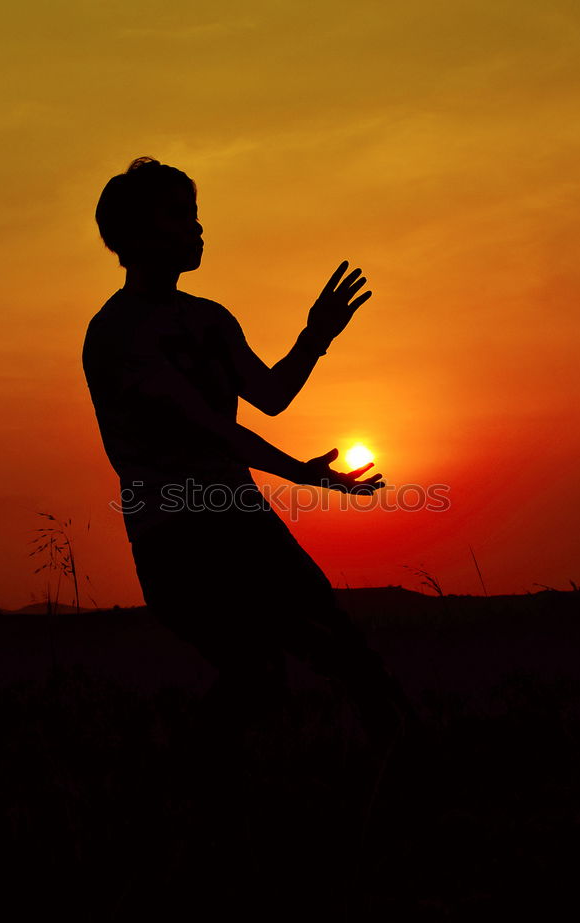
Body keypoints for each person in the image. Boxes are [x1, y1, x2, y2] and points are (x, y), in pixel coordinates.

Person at [82, 156, 413, 754]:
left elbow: (270, 397)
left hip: (243, 519)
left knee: (341, 644)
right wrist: (305, 475)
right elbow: (212, 430)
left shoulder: (210, 318)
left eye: (196, 215)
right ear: (132, 237)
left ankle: (407, 764)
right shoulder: (117, 334)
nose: (197, 229)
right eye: (179, 216)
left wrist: (316, 337)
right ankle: (186, 797)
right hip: (176, 537)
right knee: (259, 673)